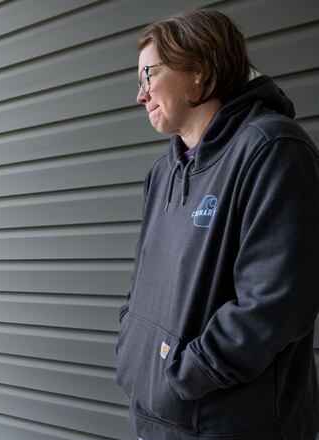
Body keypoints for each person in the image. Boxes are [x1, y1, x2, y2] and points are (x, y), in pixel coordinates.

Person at [116, 9, 319, 440]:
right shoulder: (162, 172)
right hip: (155, 420)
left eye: (148, 74)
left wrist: (185, 376)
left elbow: (275, 304)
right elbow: (143, 283)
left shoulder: (271, 149)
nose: (141, 95)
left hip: (229, 425)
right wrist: (135, 355)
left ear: (200, 71)